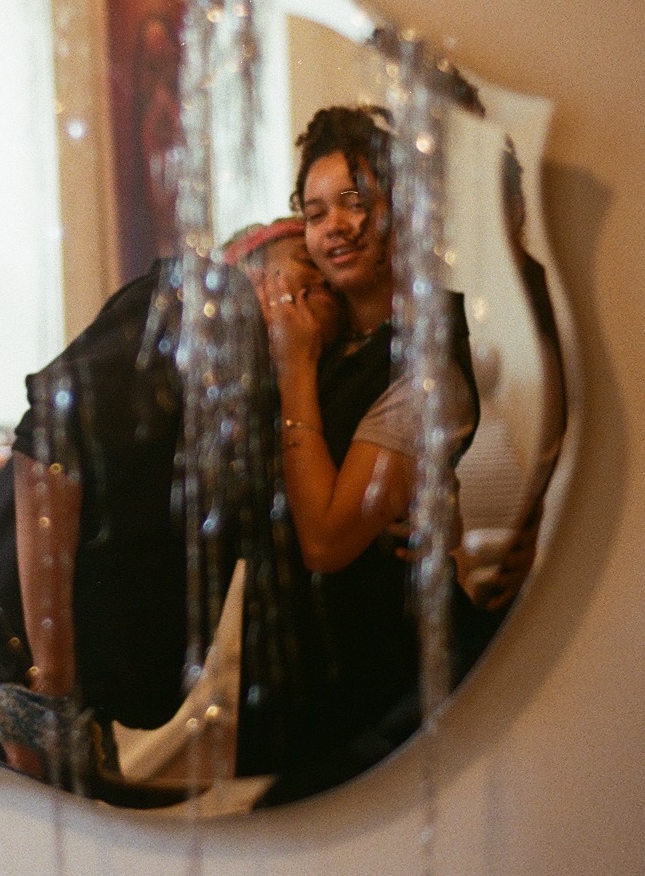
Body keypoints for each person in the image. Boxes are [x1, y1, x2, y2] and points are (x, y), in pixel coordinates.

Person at [0, 217, 340, 796]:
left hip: (47, 675)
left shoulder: (261, 380)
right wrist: (50, 686)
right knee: (7, 838)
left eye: (331, 292)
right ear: (253, 266)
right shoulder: (210, 305)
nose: (319, 293)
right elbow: (49, 446)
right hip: (10, 664)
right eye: (307, 271)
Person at [251, 105, 479, 803]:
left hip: (395, 691)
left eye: (355, 202)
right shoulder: (326, 332)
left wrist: (293, 369)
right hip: (306, 678)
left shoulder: (428, 360)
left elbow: (325, 538)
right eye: (315, 212)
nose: (335, 227)